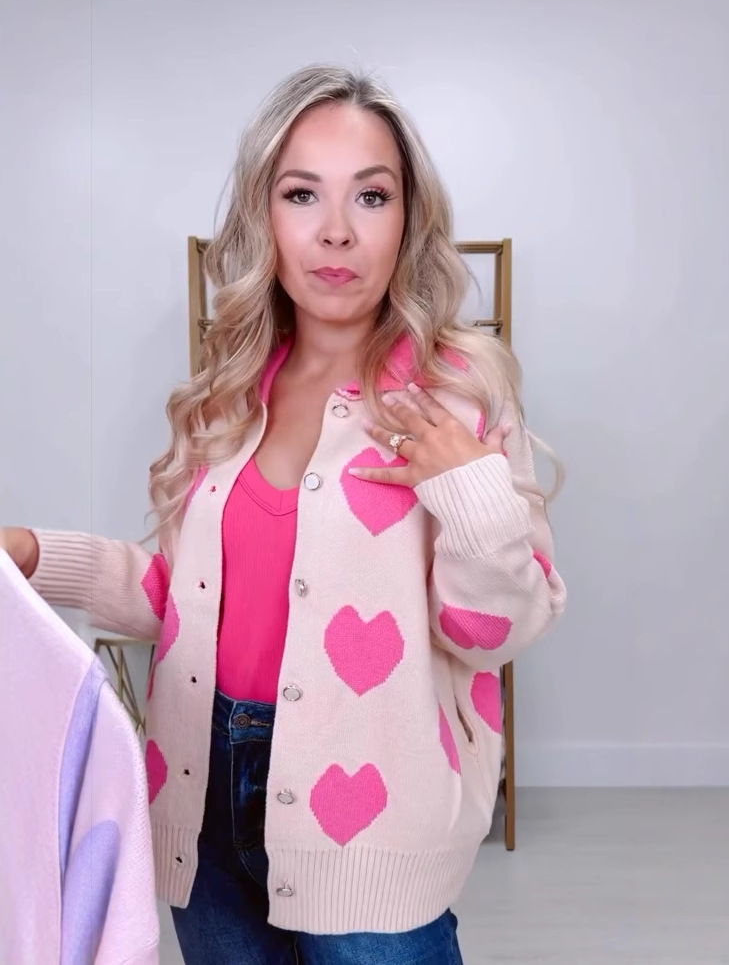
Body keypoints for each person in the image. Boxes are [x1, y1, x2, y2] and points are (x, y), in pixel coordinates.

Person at [1, 64, 567, 964]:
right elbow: (179, 601)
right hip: (201, 793)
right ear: (263, 214)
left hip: (372, 817)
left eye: (370, 196)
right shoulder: (227, 395)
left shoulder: (452, 396)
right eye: (302, 193)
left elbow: (493, 632)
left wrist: (469, 487)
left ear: (408, 218)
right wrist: (34, 554)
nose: (335, 229)